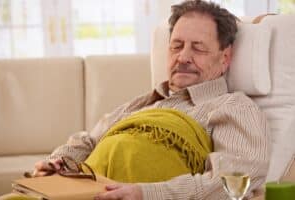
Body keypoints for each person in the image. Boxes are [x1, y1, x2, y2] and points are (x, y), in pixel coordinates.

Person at [33, 0, 270, 199]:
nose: (183, 57)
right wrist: (59, 162)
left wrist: (146, 193)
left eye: (198, 48)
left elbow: (234, 182)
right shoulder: (141, 103)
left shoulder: (234, 106)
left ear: (225, 58)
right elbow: (87, 141)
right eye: (176, 46)